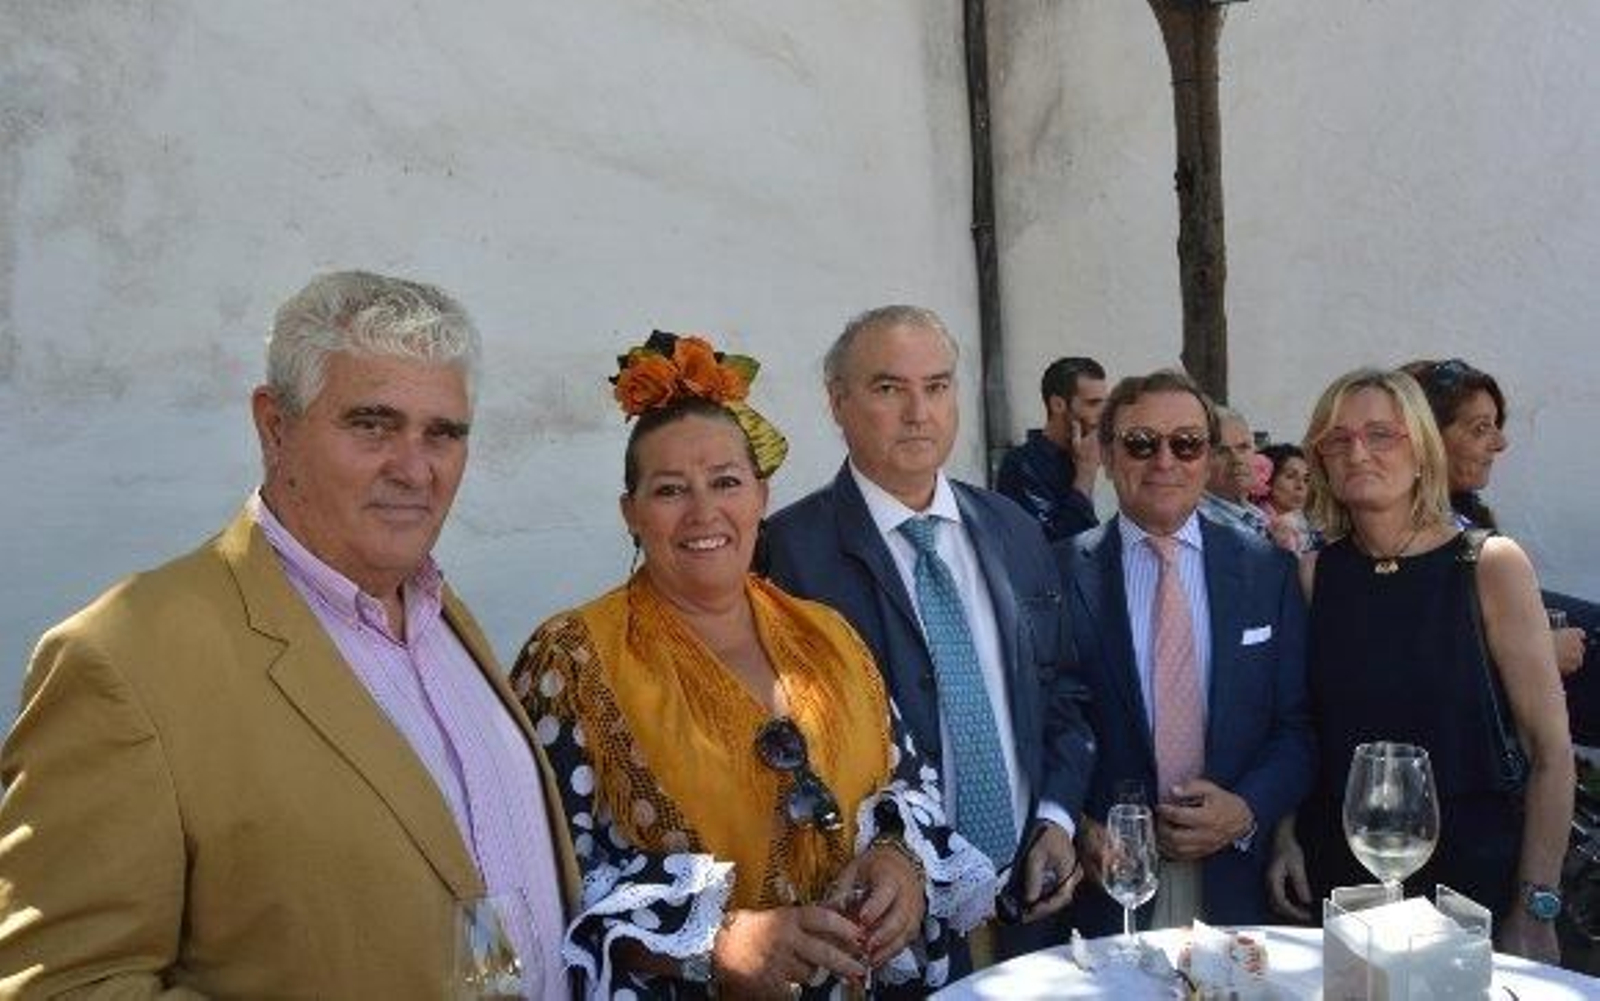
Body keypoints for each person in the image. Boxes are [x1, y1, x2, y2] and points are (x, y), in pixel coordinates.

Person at [0, 271, 578, 997]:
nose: (414, 467)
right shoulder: (121, 660)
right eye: (372, 424)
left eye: (444, 433)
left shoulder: (437, 616)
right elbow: (63, 985)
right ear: (275, 425)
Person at [512, 331, 994, 998]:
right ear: (631, 513)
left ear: (761, 497)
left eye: (727, 482)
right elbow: (547, 873)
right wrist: (716, 939)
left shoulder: (829, 635)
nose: (705, 512)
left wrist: (900, 860)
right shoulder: (571, 658)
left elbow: (909, 784)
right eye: (670, 489)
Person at [762, 305, 1096, 964]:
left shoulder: (1012, 529)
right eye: (890, 388)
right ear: (837, 402)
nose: (920, 411)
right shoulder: (789, 555)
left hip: (1031, 905)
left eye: (938, 386)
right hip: (893, 935)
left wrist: (1057, 815)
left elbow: (1060, 690)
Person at [1267, 367, 1573, 963]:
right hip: (1343, 881)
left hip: (1471, 885)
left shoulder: (1488, 565)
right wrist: (1285, 836)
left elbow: (1552, 753)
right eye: (1339, 439)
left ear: (1422, 449)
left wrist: (1536, 907)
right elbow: (1302, 727)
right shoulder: (1314, 576)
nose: (1359, 451)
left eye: (1382, 434)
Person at [1053, 369, 1313, 935]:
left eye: (1186, 443)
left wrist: (1245, 811)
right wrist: (1075, 824)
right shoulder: (1057, 573)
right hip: (1107, 891)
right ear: (1107, 452)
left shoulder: (1268, 572)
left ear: (1209, 456)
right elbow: (1037, 725)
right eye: (1142, 443)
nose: (1164, 461)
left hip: (1238, 885)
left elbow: (1299, 726)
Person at [1403, 358, 1596, 738]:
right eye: (1480, 429)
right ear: (1426, 435)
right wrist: (1537, 656)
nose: (1500, 442)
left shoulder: (1458, 517)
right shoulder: (1397, 537)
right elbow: (1404, 659)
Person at [995, 356, 1108, 542]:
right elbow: (1055, 545)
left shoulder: (1079, 454)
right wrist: (1086, 474)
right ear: (1058, 404)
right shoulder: (1022, 464)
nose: (1103, 414)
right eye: (1093, 403)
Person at [1199, 407, 1271, 538]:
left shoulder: (1257, 515)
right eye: (1221, 451)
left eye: (1243, 447)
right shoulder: (1203, 523)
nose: (1237, 459)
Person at [1258, 443, 1322, 554]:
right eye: (1290, 476)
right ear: (1267, 480)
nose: (1300, 486)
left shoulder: (1314, 529)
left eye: (1306, 479)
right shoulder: (1255, 526)